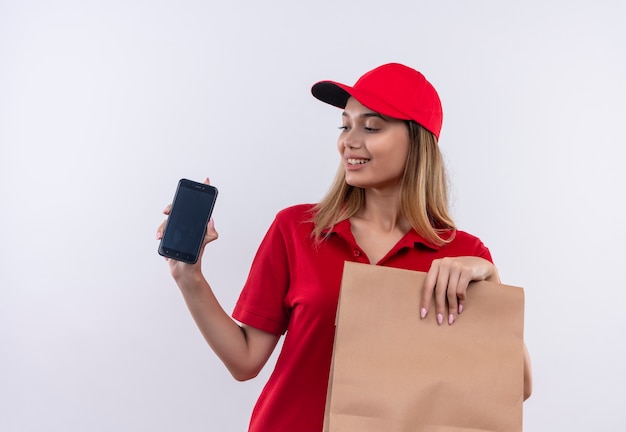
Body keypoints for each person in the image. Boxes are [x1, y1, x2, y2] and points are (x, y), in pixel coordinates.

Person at [156, 62, 532, 432]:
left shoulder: (462, 253)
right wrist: (188, 276)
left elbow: (513, 388)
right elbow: (245, 361)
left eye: (370, 127)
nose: (349, 141)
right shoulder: (297, 229)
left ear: (417, 141)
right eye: (345, 125)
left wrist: (492, 284)